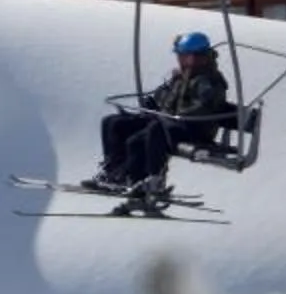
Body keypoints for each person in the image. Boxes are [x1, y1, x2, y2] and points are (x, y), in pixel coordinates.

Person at [94, 32, 233, 193]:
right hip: (170, 122)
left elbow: (205, 107)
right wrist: (153, 103)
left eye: (183, 56)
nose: (180, 59)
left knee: (142, 137)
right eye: (180, 56)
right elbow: (167, 100)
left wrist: (175, 115)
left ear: (197, 56)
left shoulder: (208, 80)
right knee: (114, 123)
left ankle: (143, 179)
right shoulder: (183, 75)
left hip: (194, 129)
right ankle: (113, 171)